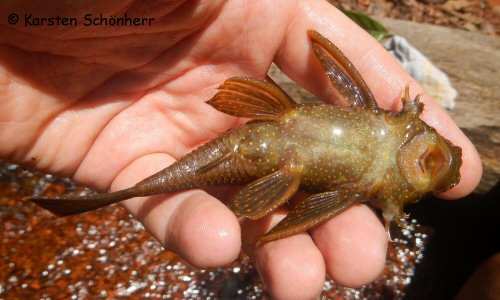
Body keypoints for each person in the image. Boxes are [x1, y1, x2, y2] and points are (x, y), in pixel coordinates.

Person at [0, 1, 482, 299]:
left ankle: (87, 202)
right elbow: (347, 80)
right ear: (412, 125)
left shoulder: (376, 175)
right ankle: (89, 202)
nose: (435, 161)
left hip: (280, 153)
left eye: (433, 175)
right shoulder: (389, 122)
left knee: (207, 207)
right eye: (437, 152)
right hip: (278, 120)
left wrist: (299, 219)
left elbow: (328, 198)